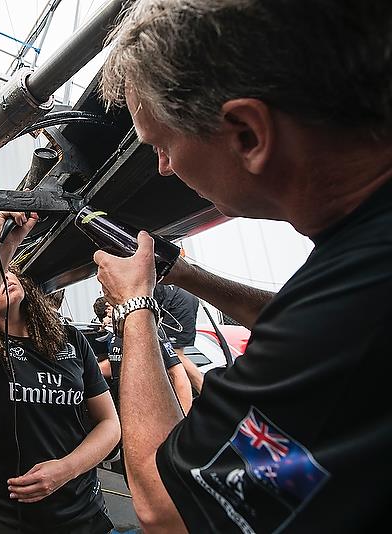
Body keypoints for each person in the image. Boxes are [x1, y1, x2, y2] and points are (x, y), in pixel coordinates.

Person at [94, 1, 392, 532]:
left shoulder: (351, 308)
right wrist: (183, 273)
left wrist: (134, 306)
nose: (163, 168)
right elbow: (296, 321)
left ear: (248, 134)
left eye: (162, 145)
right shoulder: (359, 263)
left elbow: (166, 509)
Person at [0, 212, 120, 534]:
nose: (6, 277)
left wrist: (66, 469)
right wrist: (1, 250)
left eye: (10, 271)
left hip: (83, 509)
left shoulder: (70, 339)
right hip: (14, 518)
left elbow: (109, 423)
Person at [153, 284, 205, 395]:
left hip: (178, 299)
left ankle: (208, 395)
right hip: (178, 296)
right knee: (170, 354)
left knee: (174, 354)